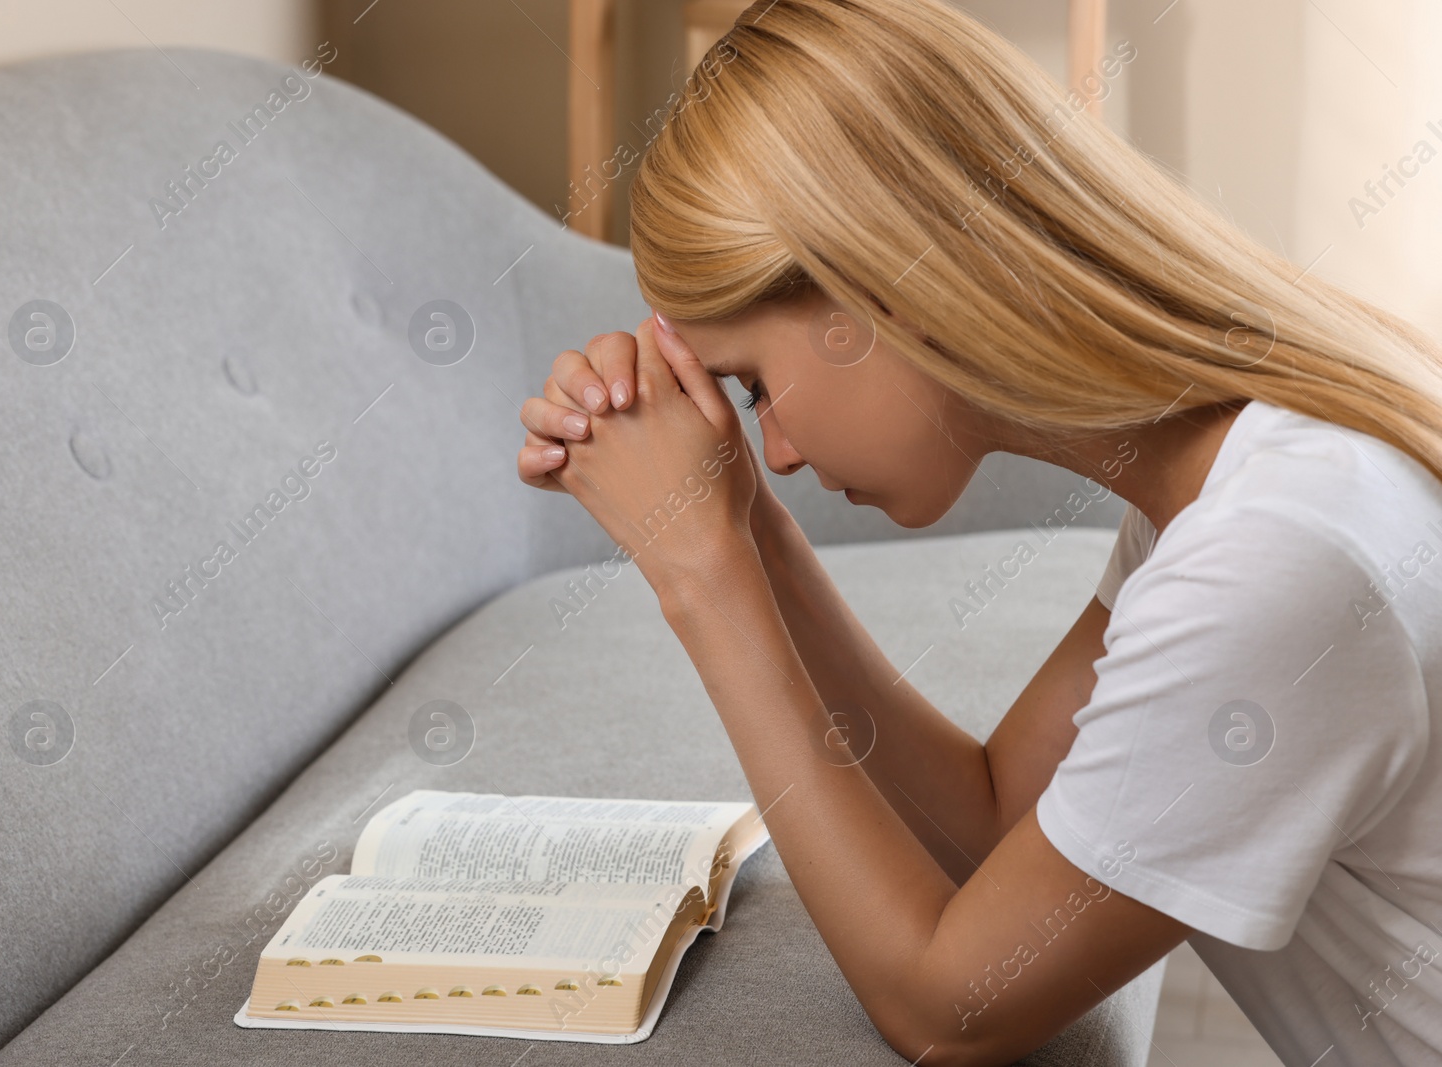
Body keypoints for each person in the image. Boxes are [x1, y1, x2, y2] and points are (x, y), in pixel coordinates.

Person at [514, 1, 1442, 1063]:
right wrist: (746, 525)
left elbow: (953, 1009)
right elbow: (996, 817)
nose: (773, 449)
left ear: (883, 291)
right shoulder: (1233, 475)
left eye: (756, 385)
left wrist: (701, 575)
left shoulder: (1275, 562)